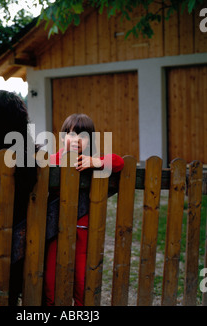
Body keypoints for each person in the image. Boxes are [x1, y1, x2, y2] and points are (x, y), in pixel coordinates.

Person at [43, 113, 124, 306]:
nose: (76, 140)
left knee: (81, 283)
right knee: (50, 283)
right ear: (63, 138)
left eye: (83, 136)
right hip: (55, 231)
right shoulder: (53, 160)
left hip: (83, 233)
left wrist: (95, 162)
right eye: (71, 134)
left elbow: (119, 161)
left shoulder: (92, 160)